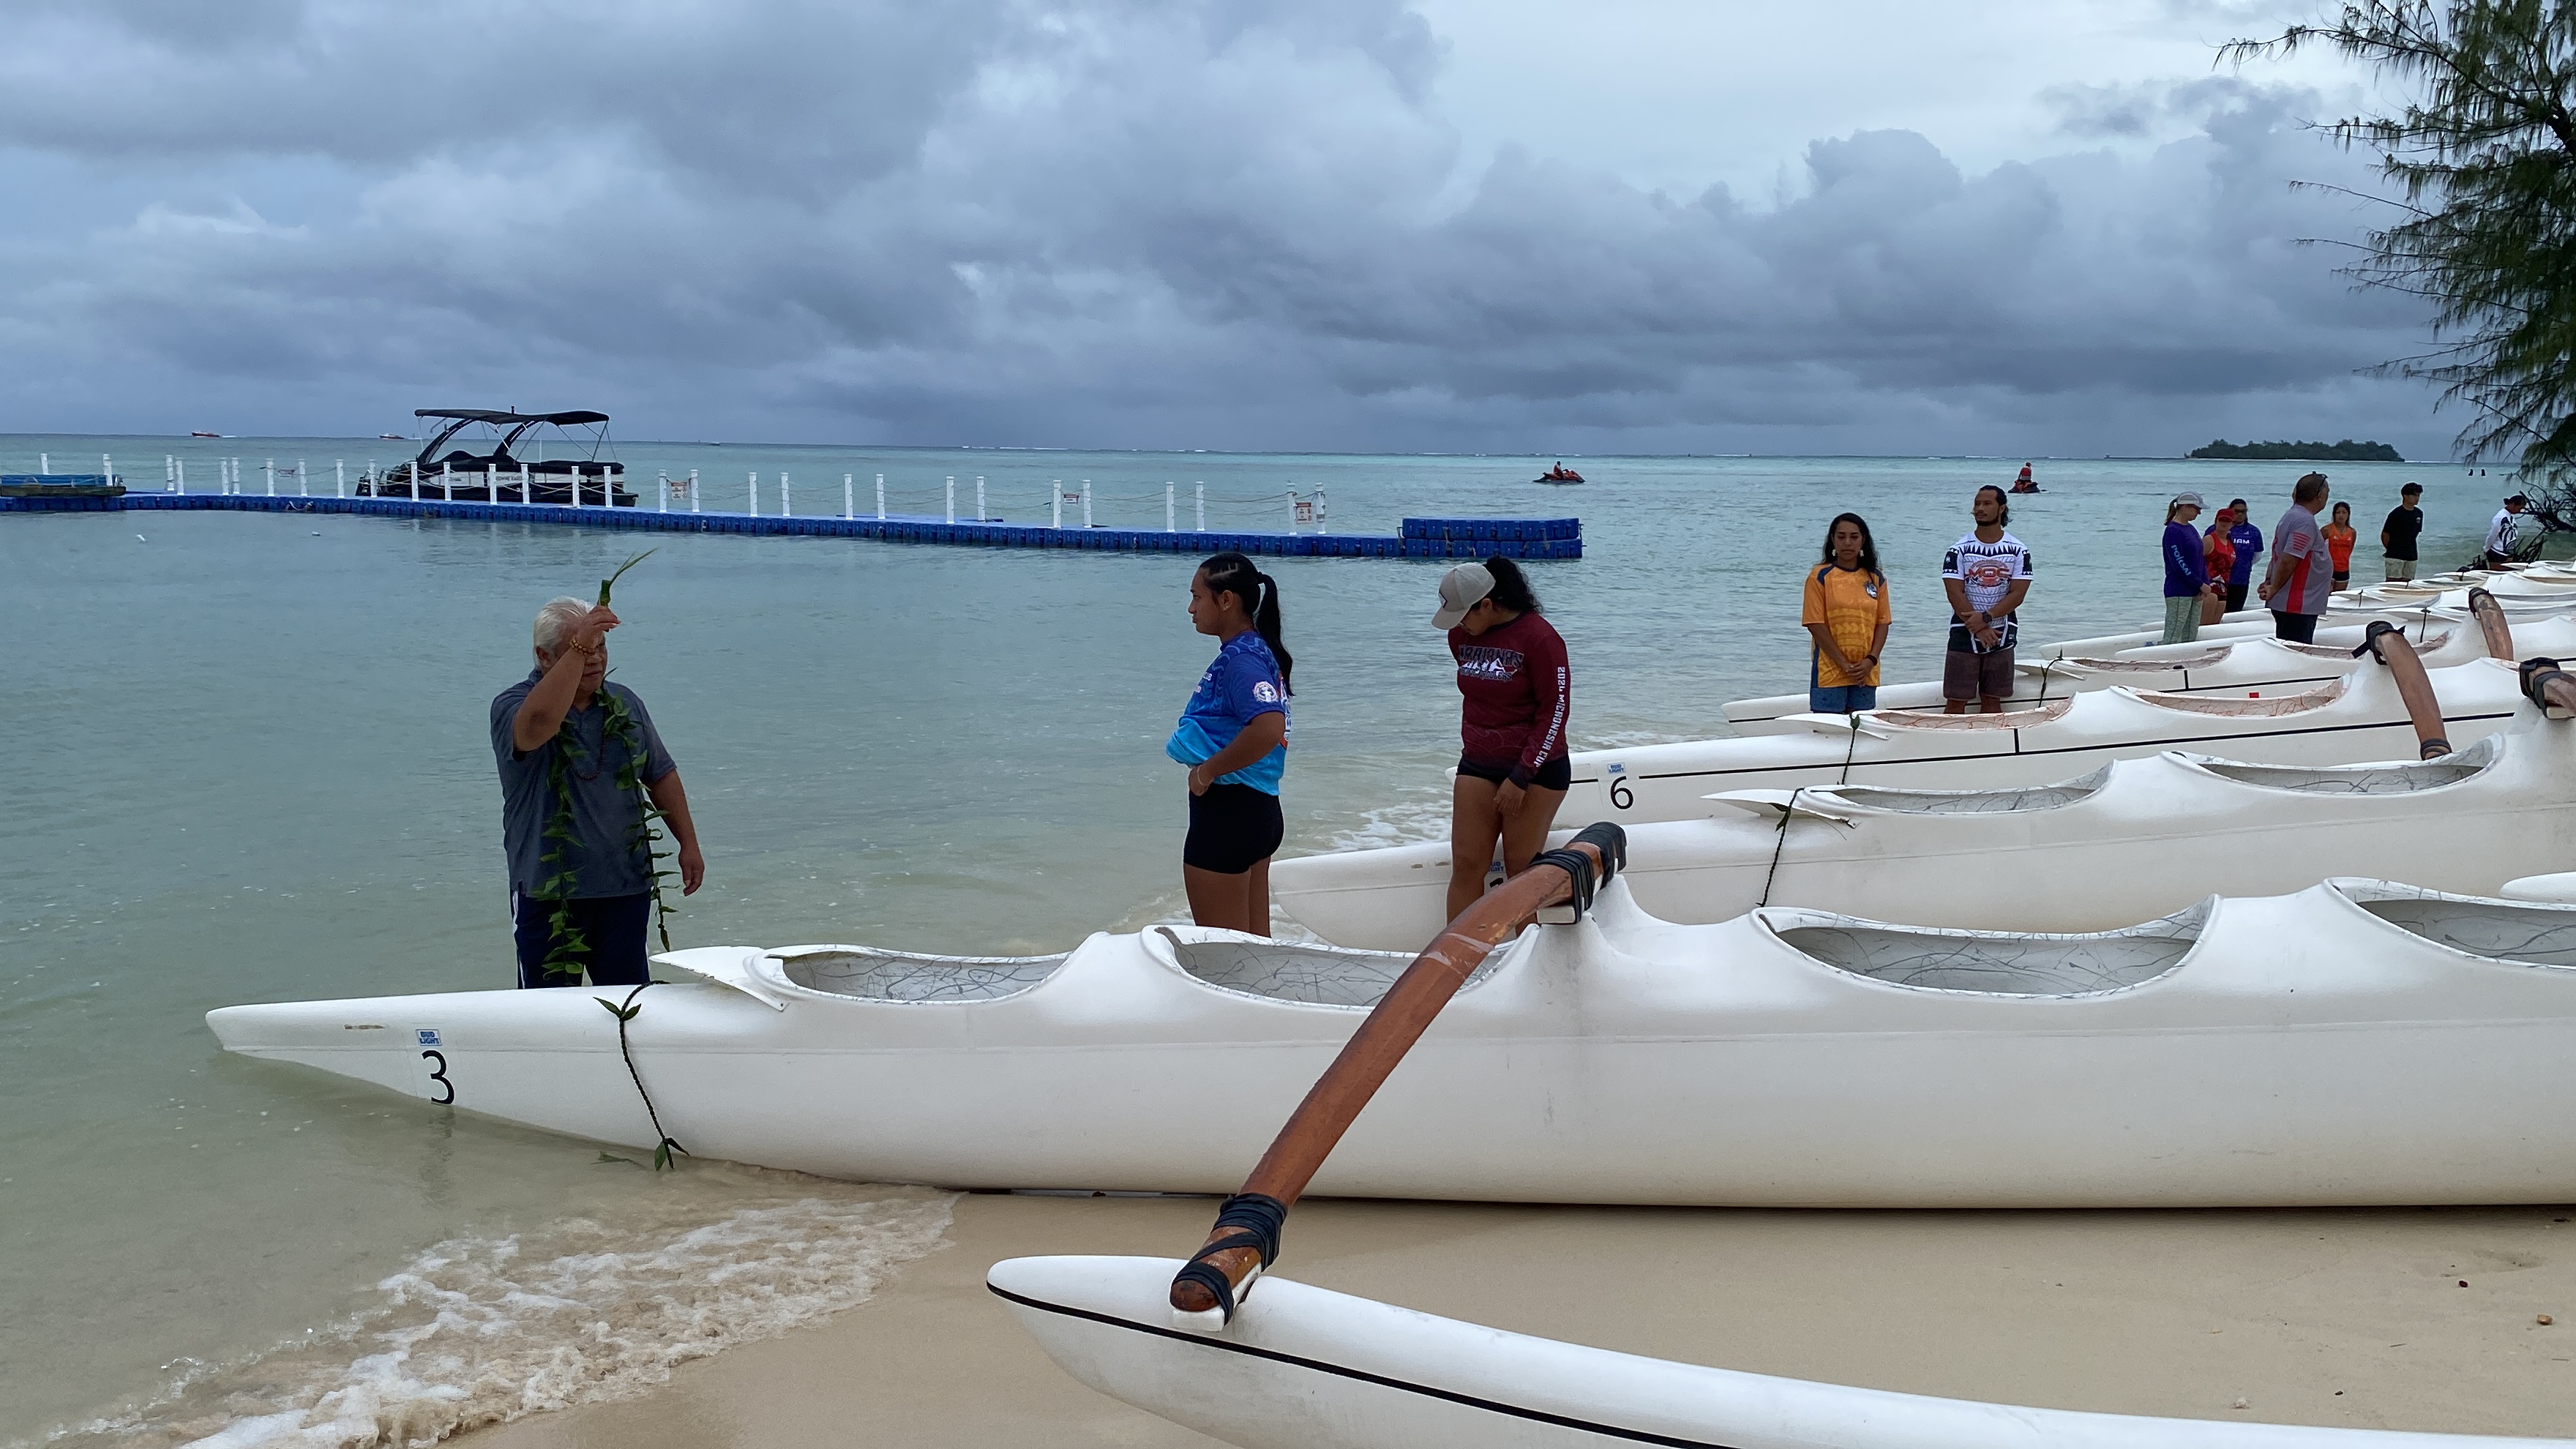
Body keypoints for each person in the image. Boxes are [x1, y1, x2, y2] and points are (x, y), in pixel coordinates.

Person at [493, 597, 706, 989]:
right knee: (548, 1015)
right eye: (579, 648)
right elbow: (537, 727)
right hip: (548, 893)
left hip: (624, 888)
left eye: (600, 647)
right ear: (544, 656)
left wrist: (688, 843)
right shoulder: (513, 706)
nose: (593, 659)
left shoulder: (625, 704)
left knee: (627, 1006)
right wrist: (581, 645)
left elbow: (660, 774)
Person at [1437, 556, 1570, 924]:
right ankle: (1459, 965)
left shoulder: (1541, 639)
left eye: (1466, 614)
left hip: (1536, 769)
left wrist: (1521, 776)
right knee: (1466, 864)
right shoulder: (1460, 636)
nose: (1460, 623)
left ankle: (1524, 959)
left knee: (1520, 869)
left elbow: (1554, 714)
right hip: (1479, 762)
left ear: (1488, 604)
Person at [1168, 552, 1293, 936]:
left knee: (1225, 958)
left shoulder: (1242, 661)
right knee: (1255, 950)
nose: (1191, 608)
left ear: (1226, 600)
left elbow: (1269, 726)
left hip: (1229, 816)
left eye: (1197, 597)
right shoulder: (1258, 650)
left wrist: (1207, 772)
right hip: (1257, 812)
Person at [1939, 485, 2033, 714]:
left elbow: (2017, 594)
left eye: (1987, 504)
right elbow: (1954, 592)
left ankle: (1992, 747)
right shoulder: (1958, 550)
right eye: (1977, 504)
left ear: (2002, 508)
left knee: (1992, 701)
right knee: (1956, 701)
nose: (1980, 509)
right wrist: (1979, 628)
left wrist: (1988, 617)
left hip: (2002, 631)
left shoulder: (2019, 551)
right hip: (1963, 632)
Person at [1801, 512, 1891, 715]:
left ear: (1863, 540)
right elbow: (1815, 624)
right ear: (1832, 539)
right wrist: (1843, 664)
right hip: (1830, 669)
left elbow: (1883, 623)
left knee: (1860, 729)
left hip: (1866, 671)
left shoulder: (1876, 578)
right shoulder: (1820, 576)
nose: (1847, 543)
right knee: (1829, 732)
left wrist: (1871, 660)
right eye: (1841, 537)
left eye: (1854, 537)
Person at [2257, 473, 2332, 643]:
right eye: (2327, 494)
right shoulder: (2304, 521)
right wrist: (2274, 587)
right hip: (2297, 606)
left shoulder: (2292, 516)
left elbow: (2278, 554)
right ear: (2320, 496)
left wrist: (2270, 581)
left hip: (2297, 604)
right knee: (2295, 651)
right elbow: (2289, 558)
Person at [2161, 493, 2217, 643]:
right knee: (2174, 634)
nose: (2199, 513)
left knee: (2190, 635)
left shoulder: (2191, 529)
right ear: (2185, 507)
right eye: (2196, 509)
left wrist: (2205, 584)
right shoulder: (2173, 531)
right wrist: (2199, 584)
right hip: (2179, 590)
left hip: (2196, 590)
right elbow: (2178, 564)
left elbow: (2200, 559)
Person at [2224, 499, 2264, 613]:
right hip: (2220, 580)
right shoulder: (2219, 528)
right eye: (2237, 511)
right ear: (2230, 510)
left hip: (2241, 580)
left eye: (2243, 511)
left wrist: (2243, 564)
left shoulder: (2254, 532)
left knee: (2235, 612)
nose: (2240, 514)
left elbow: (2258, 555)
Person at [2201, 506, 2237, 626]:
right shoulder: (2209, 540)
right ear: (2216, 521)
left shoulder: (2230, 543)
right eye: (2221, 520)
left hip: (2223, 589)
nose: (2224, 523)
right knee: (2205, 626)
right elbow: (2196, 562)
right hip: (2209, 588)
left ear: (2232, 524)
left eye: (2227, 521)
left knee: (2215, 626)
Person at [2381, 482, 2425, 581]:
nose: (2417, 498)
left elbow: (2415, 533)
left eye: (2418, 495)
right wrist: (2392, 549)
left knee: (2408, 584)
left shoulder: (2419, 514)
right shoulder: (2396, 514)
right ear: (2405, 496)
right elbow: (2385, 534)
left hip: (2412, 554)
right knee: (2393, 584)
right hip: (2395, 555)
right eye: (2414, 495)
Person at [2487, 493, 2531, 567]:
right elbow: (2493, 534)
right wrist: (2487, 548)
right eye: (2519, 508)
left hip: (2507, 552)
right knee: (2497, 575)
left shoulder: (2510, 517)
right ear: (2513, 504)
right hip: (2498, 552)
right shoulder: (2500, 517)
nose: (2520, 511)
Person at [2324, 501, 2357, 593]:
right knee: (2326, 596)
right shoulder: (2327, 530)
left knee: (2339, 597)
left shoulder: (2352, 532)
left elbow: (2350, 550)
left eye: (2344, 512)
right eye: (2338, 512)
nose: (2341, 515)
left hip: (2344, 570)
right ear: (2334, 514)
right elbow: (2317, 547)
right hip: (2329, 569)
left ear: (2348, 515)